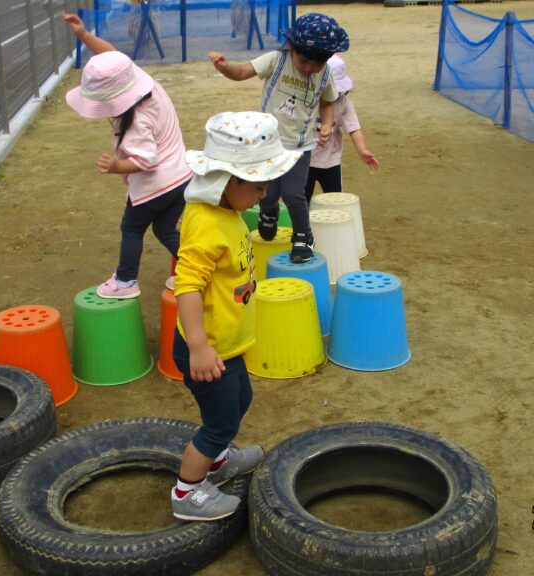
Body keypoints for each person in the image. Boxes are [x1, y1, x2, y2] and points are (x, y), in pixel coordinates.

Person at [170, 111, 302, 521]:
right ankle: (186, 493)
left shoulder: (226, 212)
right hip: (207, 350)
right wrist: (199, 347)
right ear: (226, 181)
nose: (265, 194)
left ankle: (218, 462)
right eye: (258, 185)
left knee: (240, 400)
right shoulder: (207, 223)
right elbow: (186, 286)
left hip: (228, 345)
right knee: (219, 423)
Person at [63, 13, 192, 299]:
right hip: (182, 176)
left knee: (131, 228)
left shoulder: (136, 121)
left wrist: (116, 166)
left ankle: (125, 281)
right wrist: (84, 36)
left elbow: (146, 160)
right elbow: (111, 55)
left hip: (155, 185)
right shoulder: (146, 84)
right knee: (164, 228)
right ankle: (196, 269)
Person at [209, 13, 350, 263]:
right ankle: (269, 212)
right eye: (303, 60)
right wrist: (224, 67)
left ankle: (303, 236)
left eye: (316, 64)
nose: (308, 68)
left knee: (295, 193)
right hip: (268, 145)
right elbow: (242, 72)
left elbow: (329, 102)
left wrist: (327, 124)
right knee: (268, 193)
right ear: (291, 47)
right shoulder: (276, 60)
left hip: (300, 147)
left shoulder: (325, 74)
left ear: (327, 59)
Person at [305, 54, 379, 202]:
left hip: (331, 160)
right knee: (301, 200)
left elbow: (354, 127)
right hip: (305, 160)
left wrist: (361, 149)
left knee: (336, 200)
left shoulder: (344, 102)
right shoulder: (305, 99)